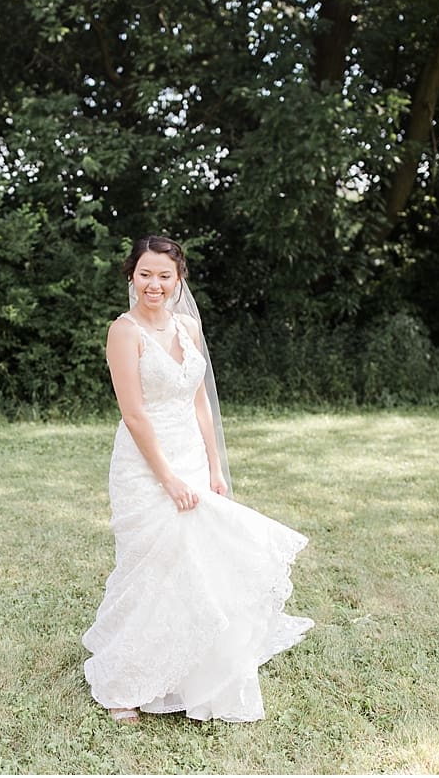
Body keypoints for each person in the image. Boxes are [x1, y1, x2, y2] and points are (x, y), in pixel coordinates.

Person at [82, 235, 313, 725]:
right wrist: (166, 478)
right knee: (152, 562)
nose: (154, 284)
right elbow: (135, 414)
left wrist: (213, 468)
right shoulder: (123, 333)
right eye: (145, 273)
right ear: (131, 277)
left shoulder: (187, 326)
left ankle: (189, 671)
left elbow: (199, 399)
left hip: (190, 455)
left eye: (165, 275)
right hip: (146, 463)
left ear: (179, 279)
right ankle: (126, 682)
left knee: (198, 562)